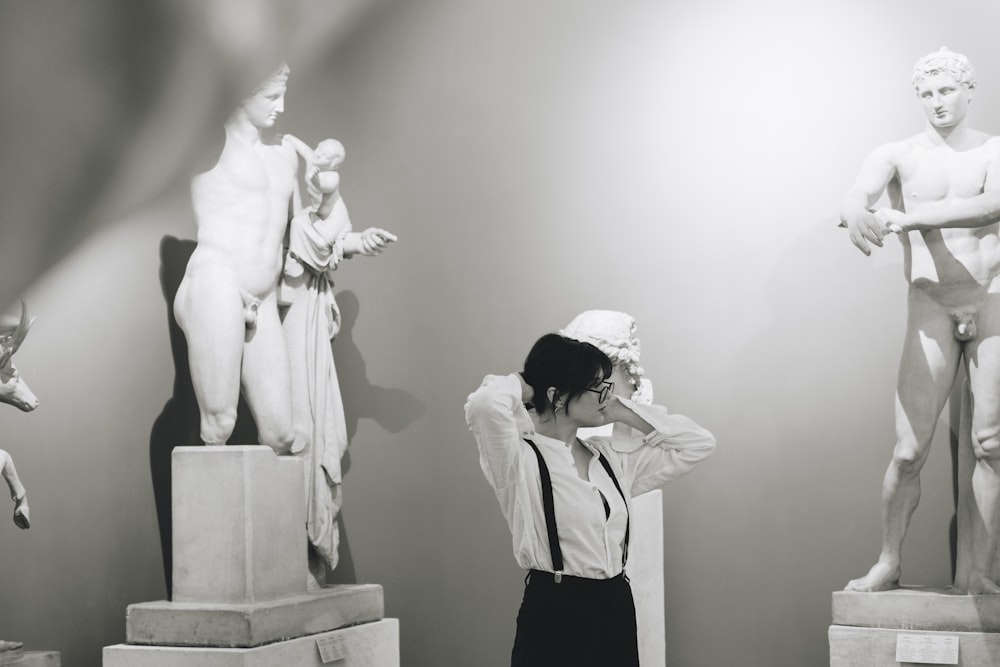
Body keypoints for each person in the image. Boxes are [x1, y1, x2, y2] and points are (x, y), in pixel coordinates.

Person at [840, 47, 1000, 594]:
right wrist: (856, 207)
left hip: (991, 299)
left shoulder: (994, 150)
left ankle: (978, 571)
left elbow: (992, 206)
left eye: (946, 90)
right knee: (908, 451)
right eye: (927, 93)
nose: (936, 102)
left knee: (991, 444)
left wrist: (910, 217)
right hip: (931, 301)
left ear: (969, 90)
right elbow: (856, 195)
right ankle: (889, 560)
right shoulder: (897, 154)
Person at [465, 333, 715, 666]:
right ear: (557, 394)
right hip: (555, 614)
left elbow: (698, 443)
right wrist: (525, 386)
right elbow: (484, 405)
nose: (606, 396)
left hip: (616, 608)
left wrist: (624, 413)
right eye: (596, 386)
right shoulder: (519, 459)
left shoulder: (610, 457)